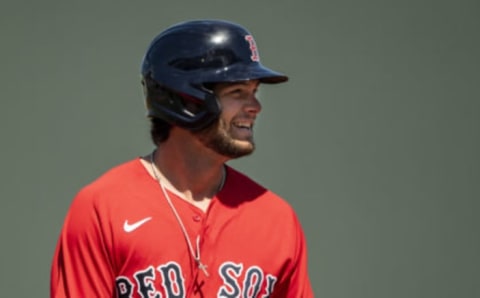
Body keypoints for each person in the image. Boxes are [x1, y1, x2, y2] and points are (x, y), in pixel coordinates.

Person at [50, 19, 313, 298]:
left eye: (254, 92)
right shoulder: (103, 208)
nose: (255, 107)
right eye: (238, 92)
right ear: (187, 99)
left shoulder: (276, 219)